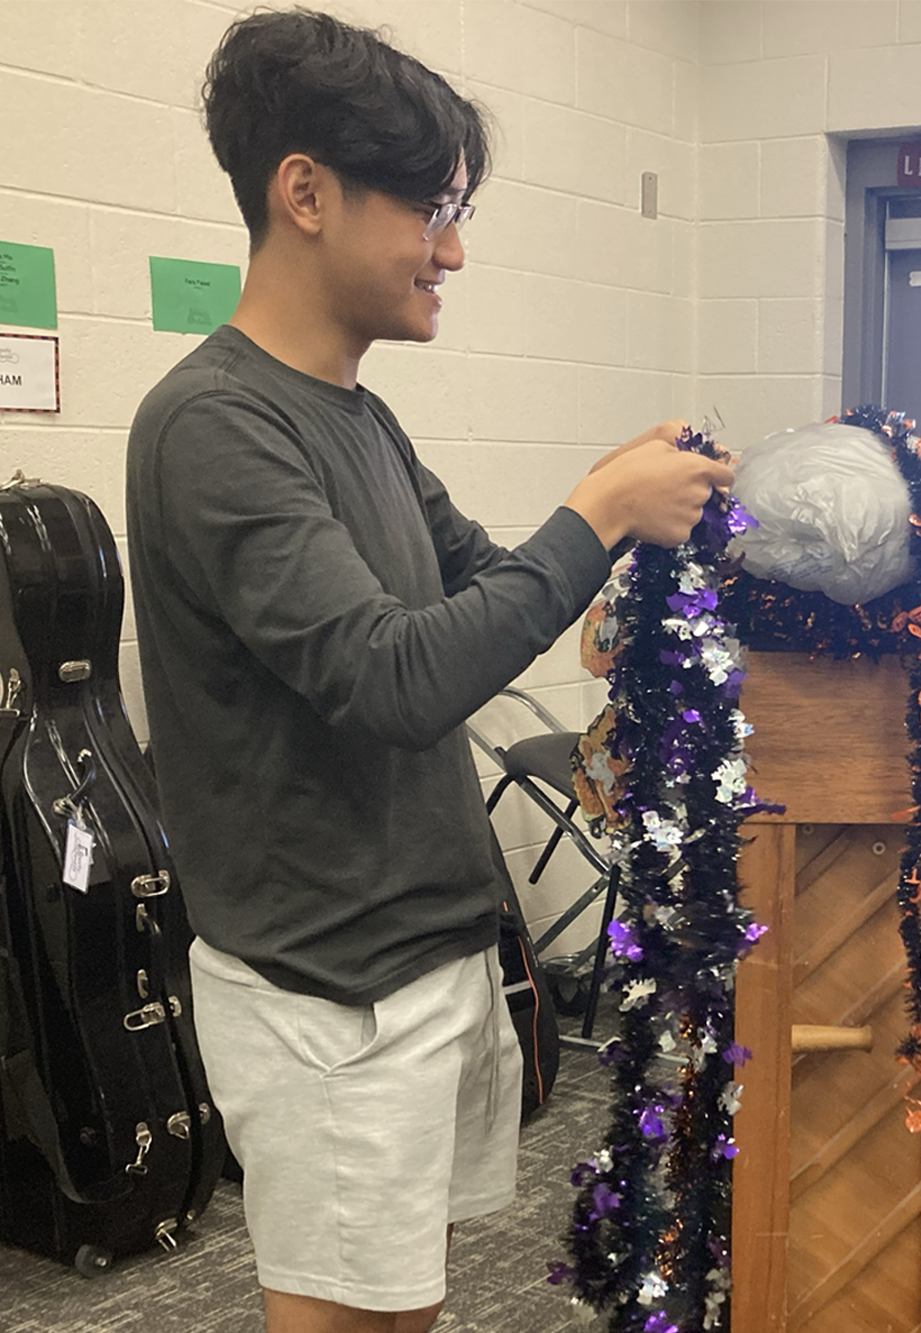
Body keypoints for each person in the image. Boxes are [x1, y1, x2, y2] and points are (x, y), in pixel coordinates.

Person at [124, 12, 729, 1333]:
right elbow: (393, 678)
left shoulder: (359, 414)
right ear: (306, 194)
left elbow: (472, 578)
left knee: (407, 1309)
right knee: (346, 1317)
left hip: (425, 962)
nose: (454, 249)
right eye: (434, 208)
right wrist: (599, 513)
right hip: (328, 997)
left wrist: (608, 522)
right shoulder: (214, 427)